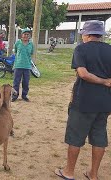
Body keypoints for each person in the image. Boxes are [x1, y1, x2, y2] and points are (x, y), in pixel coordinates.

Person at [54, 20, 111, 180]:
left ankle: (69, 172)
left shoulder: (81, 49)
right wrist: (107, 83)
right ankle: (93, 174)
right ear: (100, 35)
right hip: (105, 103)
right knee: (99, 138)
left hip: (83, 102)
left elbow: (83, 74)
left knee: (75, 137)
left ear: (87, 34)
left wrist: (102, 81)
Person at [11, 28, 34, 102]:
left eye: (28, 34)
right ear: (22, 35)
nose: (26, 36)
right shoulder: (18, 43)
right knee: (16, 82)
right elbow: (15, 51)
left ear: (29, 36)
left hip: (27, 66)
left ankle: (24, 96)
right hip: (18, 65)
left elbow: (31, 53)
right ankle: (14, 96)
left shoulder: (31, 44)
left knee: (26, 82)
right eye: (25, 34)